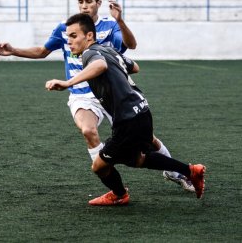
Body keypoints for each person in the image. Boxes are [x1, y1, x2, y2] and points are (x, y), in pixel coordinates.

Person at [0, 0, 193, 192]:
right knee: (88, 131)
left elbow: (130, 46)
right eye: (80, 1)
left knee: (148, 140)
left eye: (89, 1)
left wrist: (120, 21)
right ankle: (114, 186)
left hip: (111, 94)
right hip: (82, 95)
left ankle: (176, 173)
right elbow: (43, 51)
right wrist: (14, 50)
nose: (84, 6)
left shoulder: (109, 25)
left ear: (98, 3)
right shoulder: (67, 28)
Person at [45, 13, 206, 205]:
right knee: (137, 159)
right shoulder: (108, 50)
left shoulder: (90, 54)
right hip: (143, 111)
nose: (69, 40)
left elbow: (100, 65)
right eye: (68, 36)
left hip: (127, 120)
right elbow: (135, 66)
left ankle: (120, 195)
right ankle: (191, 171)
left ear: (89, 36)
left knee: (99, 166)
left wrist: (67, 82)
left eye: (73, 36)